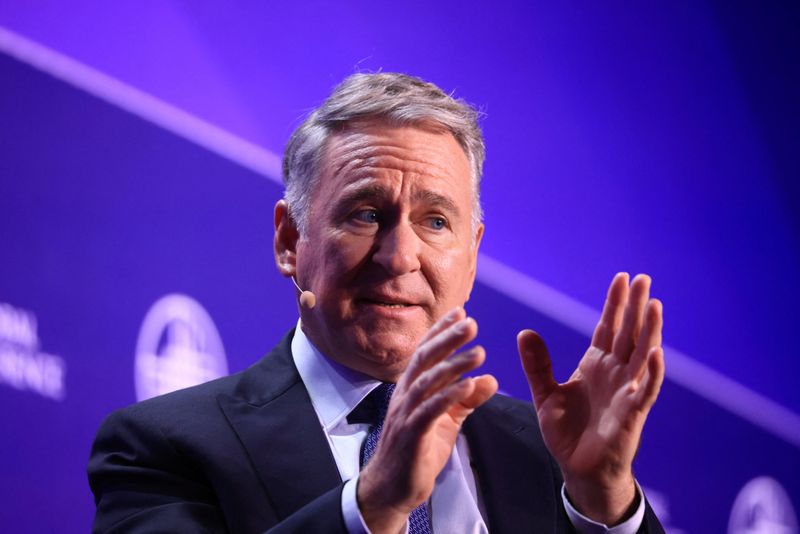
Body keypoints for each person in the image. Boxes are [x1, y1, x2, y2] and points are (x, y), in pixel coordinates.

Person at [89, 72, 666, 533]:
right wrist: (374, 501)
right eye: (366, 214)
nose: (399, 256)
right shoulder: (163, 447)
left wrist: (604, 501)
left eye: (435, 221)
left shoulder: (550, 457)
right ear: (291, 241)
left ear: (471, 258)